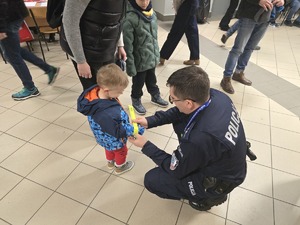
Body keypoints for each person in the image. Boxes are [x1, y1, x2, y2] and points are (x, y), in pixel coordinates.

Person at [129, 66, 248, 211]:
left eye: (173, 99)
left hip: (220, 179)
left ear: (188, 103)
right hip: (227, 161)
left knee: (152, 180)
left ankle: (209, 197)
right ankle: (200, 178)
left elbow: (175, 169)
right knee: (180, 119)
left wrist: (145, 145)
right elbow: (178, 112)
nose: (172, 102)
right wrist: (150, 121)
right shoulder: (215, 96)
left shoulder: (199, 138)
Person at [77, 63, 144, 175]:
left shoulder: (96, 95)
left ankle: (110, 162)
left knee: (108, 148)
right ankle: (120, 167)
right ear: (107, 90)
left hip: (104, 137)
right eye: (119, 91)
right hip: (115, 139)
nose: (121, 93)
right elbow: (117, 131)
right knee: (121, 151)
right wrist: (134, 129)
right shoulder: (106, 113)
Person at [60, 0, 127, 90]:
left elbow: (118, 18)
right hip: (86, 52)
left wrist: (120, 45)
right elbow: (70, 23)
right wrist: (81, 61)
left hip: (107, 49)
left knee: (110, 89)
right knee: (93, 93)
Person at [220, 0, 284, 94]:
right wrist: (258, 1)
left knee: (250, 48)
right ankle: (226, 78)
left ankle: (238, 73)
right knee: (237, 50)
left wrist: (283, 1)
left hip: (267, 17)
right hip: (249, 15)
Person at [0, 0, 59, 101]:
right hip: (14, 14)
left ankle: (30, 88)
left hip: (8, 18)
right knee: (15, 51)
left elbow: (2, 4)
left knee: (12, 56)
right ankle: (48, 69)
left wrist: (1, 29)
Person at [123, 0, 169, 115]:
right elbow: (127, 46)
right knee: (139, 82)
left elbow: (154, 38)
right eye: (141, 0)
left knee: (152, 79)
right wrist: (130, 65)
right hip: (139, 60)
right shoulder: (129, 18)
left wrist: (156, 55)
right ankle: (136, 99)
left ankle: (155, 95)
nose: (144, 3)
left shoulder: (152, 15)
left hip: (151, 57)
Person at [159, 0, 200, 66]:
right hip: (193, 3)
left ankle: (162, 56)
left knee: (176, 31)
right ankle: (195, 57)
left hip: (187, 5)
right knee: (191, 31)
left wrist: (178, 11)